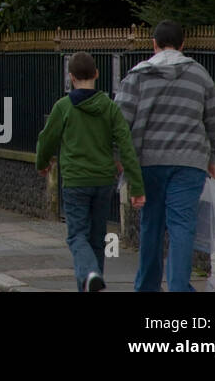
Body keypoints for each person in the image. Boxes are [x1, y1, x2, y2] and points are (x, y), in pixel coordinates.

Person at [116, 20, 215, 292]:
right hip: (189, 164)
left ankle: (147, 287)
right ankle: (178, 287)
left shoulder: (137, 76)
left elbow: (120, 121)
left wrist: (119, 158)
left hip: (148, 163)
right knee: (181, 227)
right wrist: (212, 156)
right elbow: (214, 120)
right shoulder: (200, 75)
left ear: (153, 44)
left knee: (151, 224)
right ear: (183, 44)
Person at [36, 51, 146, 292]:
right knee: (97, 239)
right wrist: (136, 187)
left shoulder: (63, 107)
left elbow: (47, 140)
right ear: (97, 74)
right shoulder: (109, 108)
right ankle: (92, 282)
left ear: (71, 76)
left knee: (77, 237)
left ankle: (90, 274)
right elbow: (126, 146)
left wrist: (42, 163)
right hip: (104, 181)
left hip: (76, 182)